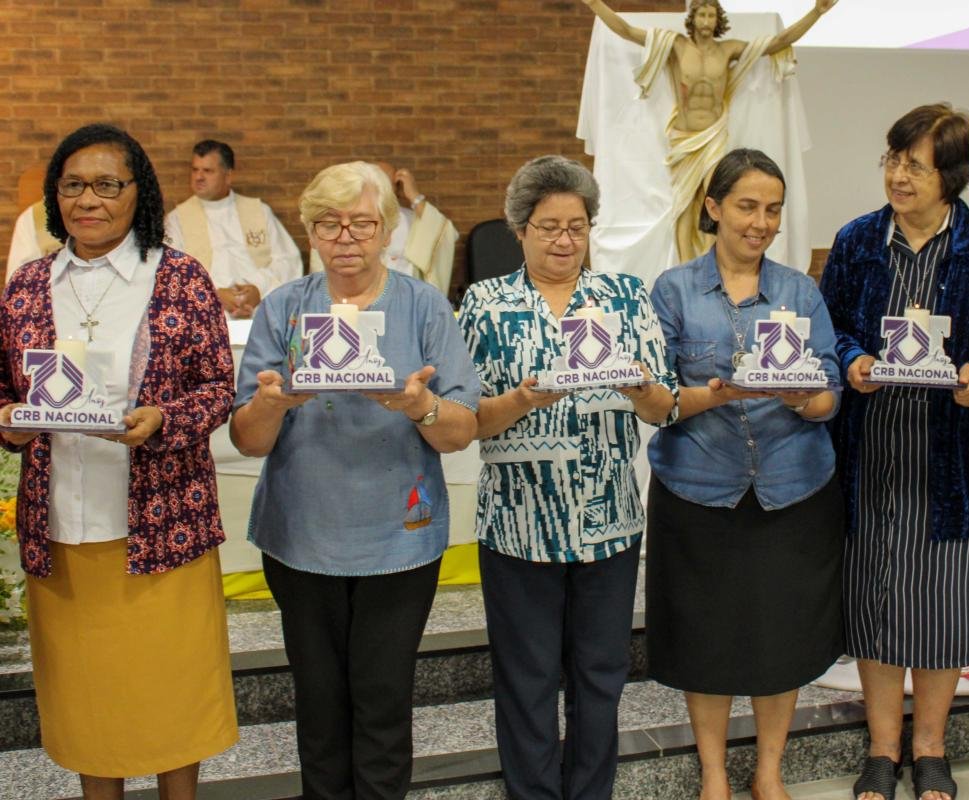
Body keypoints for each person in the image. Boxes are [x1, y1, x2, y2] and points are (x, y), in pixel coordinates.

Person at [0, 123, 238, 798]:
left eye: (107, 184)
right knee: (89, 701)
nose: (89, 199)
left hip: (163, 529)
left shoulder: (179, 277)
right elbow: (2, 389)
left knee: (172, 695)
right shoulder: (26, 285)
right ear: (55, 196)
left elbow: (218, 388)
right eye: (73, 185)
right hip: (64, 530)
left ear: (139, 193)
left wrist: (164, 420)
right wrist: (9, 424)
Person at [230, 161, 479, 798]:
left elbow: (460, 430)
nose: (346, 237)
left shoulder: (422, 305)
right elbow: (247, 439)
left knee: (383, 700)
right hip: (303, 535)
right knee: (317, 704)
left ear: (386, 230)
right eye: (329, 224)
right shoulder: (285, 309)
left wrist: (417, 405)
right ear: (311, 231)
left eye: (363, 223)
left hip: (397, 537)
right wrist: (273, 403)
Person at [818, 103, 969, 800]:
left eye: (915, 164)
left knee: (941, 606)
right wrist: (851, 361)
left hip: (955, 458)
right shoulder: (856, 242)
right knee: (879, 601)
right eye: (892, 159)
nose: (898, 176)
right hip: (875, 454)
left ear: (952, 177)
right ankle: (883, 750)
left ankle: (931, 747)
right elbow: (834, 331)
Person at [457, 155, 675, 800]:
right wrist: (525, 398)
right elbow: (466, 421)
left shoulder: (625, 298)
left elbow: (666, 408)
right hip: (518, 522)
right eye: (548, 227)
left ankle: (589, 793)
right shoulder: (485, 304)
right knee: (525, 679)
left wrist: (638, 384)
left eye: (576, 227)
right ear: (519, 229)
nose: (564, 241)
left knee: (601, 674)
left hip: (608, 518)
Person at [646, 148, 843, 800]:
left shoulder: (799, 290)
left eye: (773, 210)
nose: (761, 222)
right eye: (747, 206)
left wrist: (800, 396)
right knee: (707, 636)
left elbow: (828, 397)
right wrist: (717, 394)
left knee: (780, 635)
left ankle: (768, 771)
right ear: (714, 208)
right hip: (699, 488)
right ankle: (712, 773)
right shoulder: (673, 290)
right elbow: (658, 400)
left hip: (793, 489)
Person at [581, 0, 836, 263]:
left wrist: (816, 13)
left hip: (713, 137)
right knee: (684, 204)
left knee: (713, 199)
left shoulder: (728, 50)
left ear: (718, 20)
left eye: (711, 15)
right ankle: (685, 265)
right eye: (701, 14)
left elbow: (777, 42)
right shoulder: (677, 46)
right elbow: (626, 30)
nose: (706, 20)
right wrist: (595, 5)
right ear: (693, 19)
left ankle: (708, 261)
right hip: (683, 138)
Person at [165, 139, 302, 318]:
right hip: (205, 315)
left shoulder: (258, 211)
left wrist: (258, 289)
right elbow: (170, 272)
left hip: (260, 309)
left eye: (207, 171)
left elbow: (288, 261)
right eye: (194, 170)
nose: (198, 177)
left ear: (228, 176)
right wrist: (213, 294)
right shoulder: (177, 219)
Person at [307, 162, 458, 296]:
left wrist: (414, 196)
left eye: (362, 223)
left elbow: (443, 234)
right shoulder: (334, 222)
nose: (345, 238)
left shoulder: (415, 219)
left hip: (403, 295)